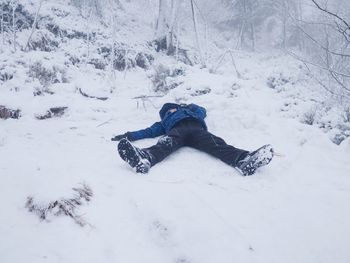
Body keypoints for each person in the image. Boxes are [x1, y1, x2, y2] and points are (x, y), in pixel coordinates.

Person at [111, 103, 274, 175]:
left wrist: (189, 106)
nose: (171, 111)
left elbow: (202, 110)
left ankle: (243, 160)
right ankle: (143, 158)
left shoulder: (192, 112)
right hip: (177, 131)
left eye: (173, 108)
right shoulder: (164, 122)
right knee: (165, 143)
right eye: (168, 111)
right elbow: (148, 131)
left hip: (197, 130)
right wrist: (129, 135)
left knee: (216, 143)